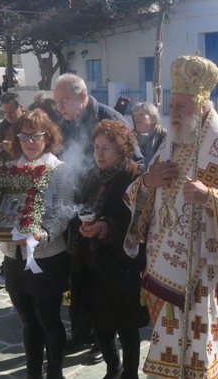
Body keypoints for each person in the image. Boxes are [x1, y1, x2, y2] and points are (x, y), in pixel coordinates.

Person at [124, 54, 218, 379]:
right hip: (164, 270)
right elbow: (136, 196)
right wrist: (148, 182)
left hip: (204, 276)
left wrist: (209, 196)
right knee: (168, 345)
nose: (174, 113)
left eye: (182, 107)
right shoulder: (168, 146)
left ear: (201, 109)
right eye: (172, 106)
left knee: (201, 352)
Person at [54, 73, 137, 358]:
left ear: (81, 96)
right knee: (81, 280)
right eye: (57, 101)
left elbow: (134, 159)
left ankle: (105, 343)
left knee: (105, 287)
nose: (60, 107)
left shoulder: (108, 117)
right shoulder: (65, 122)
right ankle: (81, 333)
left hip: (111, 210)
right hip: (82, 202)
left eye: (64, 100)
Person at [0, 109, 75, 379]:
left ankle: (54, 373)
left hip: (47, 257)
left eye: (36, 135)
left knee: (48, 319)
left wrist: (41, 233)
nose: (29, 141)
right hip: (14, 258)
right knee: (28, 321)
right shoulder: (9, 170)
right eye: (23, 136)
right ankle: (33, 373)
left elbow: (63, 212)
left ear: (48, 138)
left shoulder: (61, 170)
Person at [70, 120, 148, 379]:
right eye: (96, 147)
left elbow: (139, 221)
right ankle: (113, 368)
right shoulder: (90, 175)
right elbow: (78, 207)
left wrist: (106, 227)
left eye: (106, 148)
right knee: (99, 323)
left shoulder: (134, 176)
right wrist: (83, 224)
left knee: (125, 325)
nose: (99, 154)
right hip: (91, 261)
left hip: (120, 263)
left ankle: (130, 374)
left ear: (122, 149)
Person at [0, 91, 25, 287]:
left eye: (11, 112)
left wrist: (14, 148)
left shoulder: (29, 124)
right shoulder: (2, 127)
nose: (8, 116)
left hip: (26, 181)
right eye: (4, 112)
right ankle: (6, 270)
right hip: (6, 181)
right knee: (7, 227)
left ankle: (18, 269)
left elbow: (36, 151)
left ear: (21, 108)